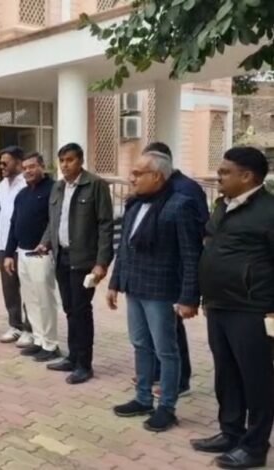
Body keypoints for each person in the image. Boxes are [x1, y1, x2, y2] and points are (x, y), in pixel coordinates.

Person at [107, 150, 202, 433]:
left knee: (166, 351)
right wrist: (114, 283)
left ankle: (167, 408)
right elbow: (124, 249)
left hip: (161, 291)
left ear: (157, 176)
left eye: (138, 173)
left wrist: (189, 297)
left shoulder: (179, 205)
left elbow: (190, 256)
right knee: (140, 344)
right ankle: (143, 398)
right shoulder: (135, 204)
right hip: (134, 288)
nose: (131, 178)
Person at [191, 147, 274, 469]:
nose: (218, 177)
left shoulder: (268, 211)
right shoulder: (222, 205)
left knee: (257, 379)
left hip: (252, 309)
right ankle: (230, 432)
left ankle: (255, 447)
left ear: (247, 176)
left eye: (225, 172)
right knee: (226, 373)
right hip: (218, 304)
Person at [37, 143, 113, 384]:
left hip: (83, 259)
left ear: (80, 161)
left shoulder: (96, 185)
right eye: (61, 160)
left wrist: (101, 262)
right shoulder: (58, 187)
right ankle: (72, 357)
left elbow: (105, 225)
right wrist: (45, 242)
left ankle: (84, 365)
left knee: (81, 311)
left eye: (69, 160)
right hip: (61, 257)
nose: (65, 165)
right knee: (70, 309)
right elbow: (53, 221)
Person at [140, 141, 208, 397]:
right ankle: (159, 372)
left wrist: (190, 286)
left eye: (145, 168)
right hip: (153, 275)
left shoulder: (186, 189)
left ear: (161, 166)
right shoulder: (158, 190)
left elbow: (198, 232)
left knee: (172, 330)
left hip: (175, 273)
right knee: (155, 329)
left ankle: (180, 381)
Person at [3, 153, 59, 361]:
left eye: (32, 166)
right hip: (22, 254)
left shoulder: (53, 190)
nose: (28, 171)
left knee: (45, 301)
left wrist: (46, 243)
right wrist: (9, 253)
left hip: (41, 254)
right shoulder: (22, 194)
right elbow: (13, 224)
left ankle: (51, 345)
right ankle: (38, 339)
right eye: (25, 168)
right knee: (31, 300)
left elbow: (54, 221)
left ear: (42, 166)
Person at [0, 147, 31, 345]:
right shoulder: (1, 186)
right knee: (9, 289)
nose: (1, 166)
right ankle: (15, 325)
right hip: (4, 246)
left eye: (5, 163)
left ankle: (30, 328)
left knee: (28, 289)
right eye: (0, 163)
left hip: (23, 247)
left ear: (18, 163)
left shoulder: (26, 184)